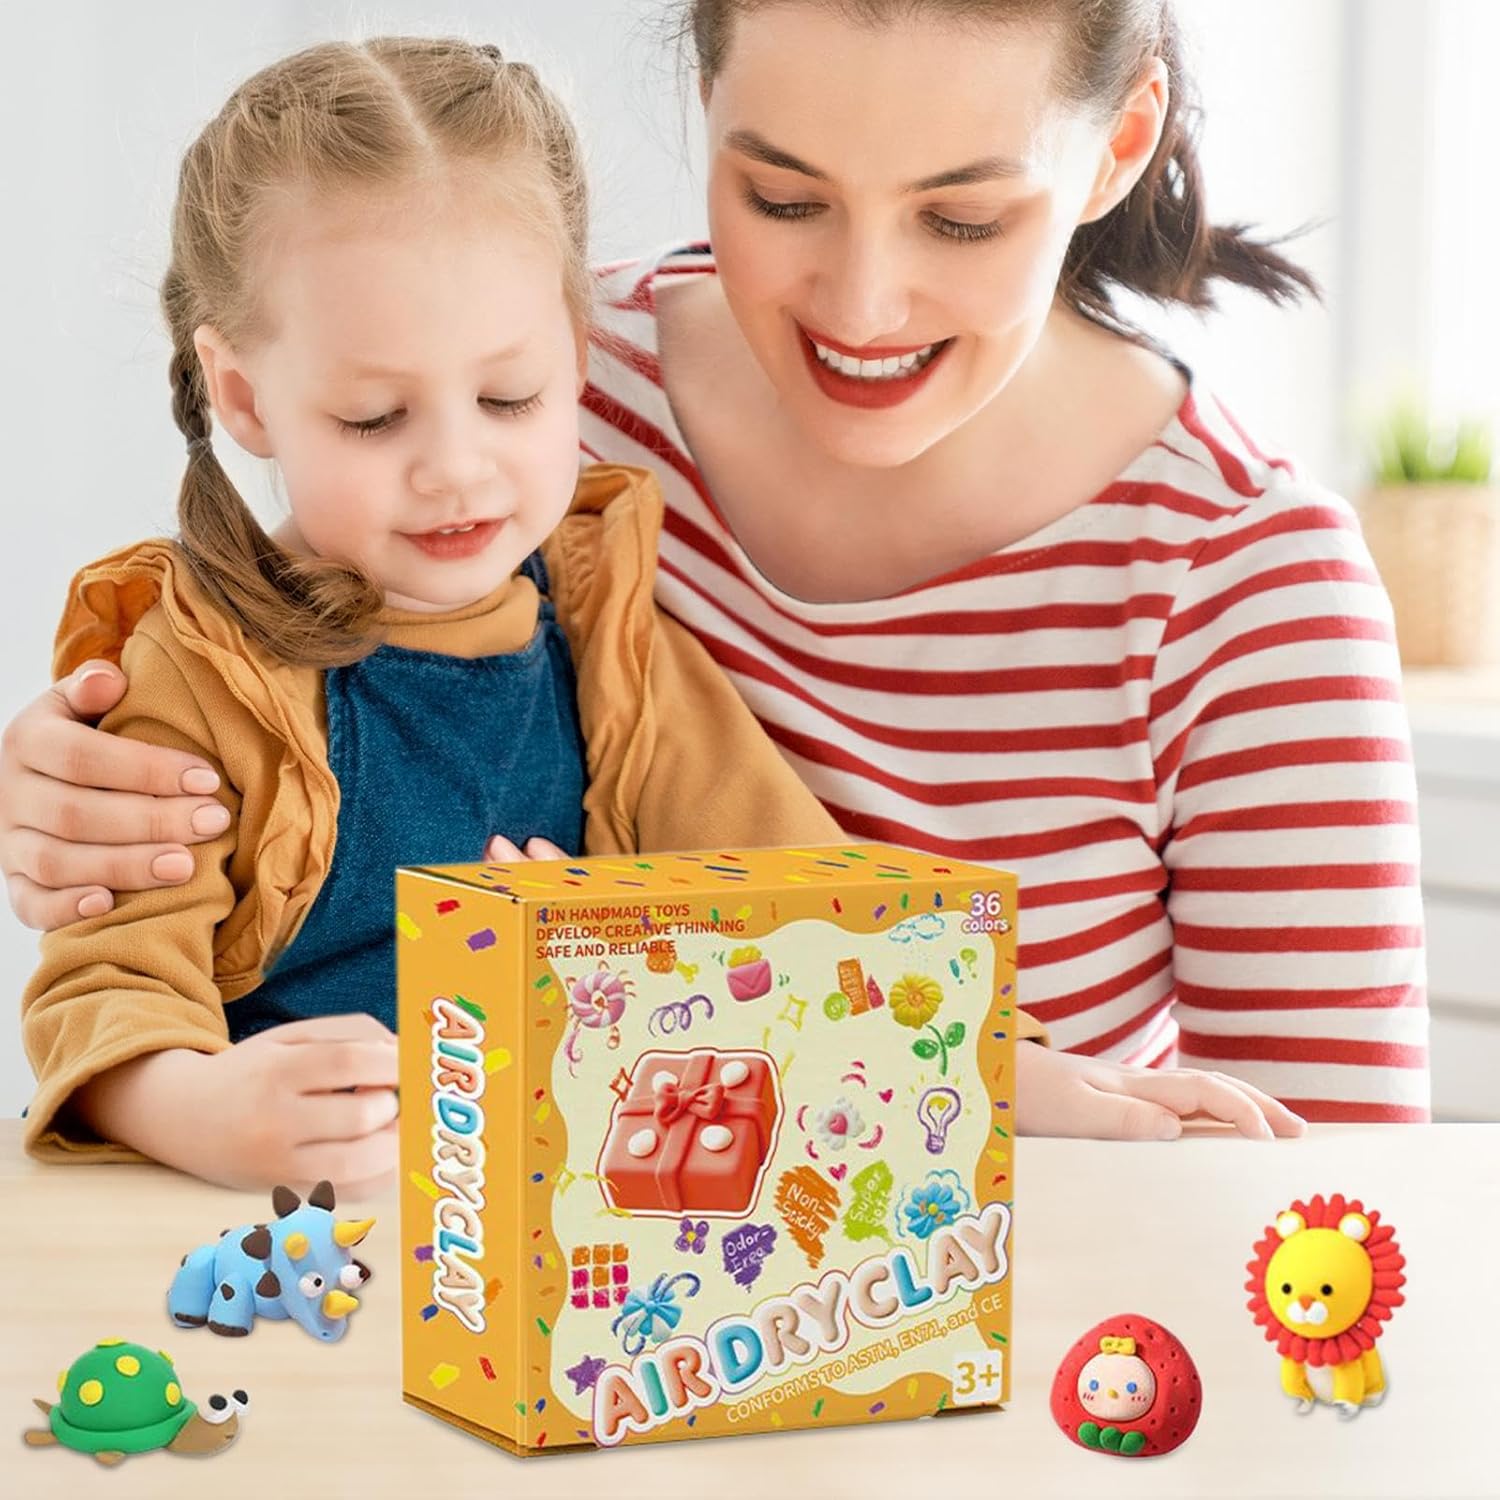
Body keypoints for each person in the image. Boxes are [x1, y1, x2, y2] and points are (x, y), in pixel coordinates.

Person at [6, 2, 1413, 1144]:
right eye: (782, 195)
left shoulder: (1247, 583)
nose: (863, 306)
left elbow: (1333, 1248)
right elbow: (148, 895)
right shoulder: (549, 390)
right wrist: (80, 789)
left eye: (962, 218)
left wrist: (1004, 1064)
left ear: (1119, 146)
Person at [16, 36, 863, 1190]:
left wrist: (631, 953)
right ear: (245, 397)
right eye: (375, 417)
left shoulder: (613, 643)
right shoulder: (203, 664)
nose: (456, 469)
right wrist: (196, 1107)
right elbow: (107, 984)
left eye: (508, 397)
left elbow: (813, 913)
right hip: (305, 1231)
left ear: (574, 356)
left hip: (560, 1224)